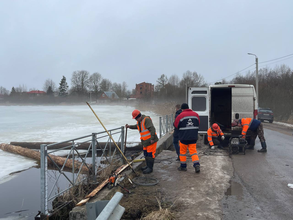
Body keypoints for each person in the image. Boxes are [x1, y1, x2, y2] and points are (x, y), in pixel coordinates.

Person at [126, 109, 159, 174]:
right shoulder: (139, 122)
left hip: (150, 141)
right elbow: (137, 127)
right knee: (146, 154)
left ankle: (150, 168)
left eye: (135, 118)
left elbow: (152, 129)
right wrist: (129, 126)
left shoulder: (146, 120)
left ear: (139, 116)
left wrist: (152, 138)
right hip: (145, 142)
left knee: (150, 155)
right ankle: (147, 166)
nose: (135, 120)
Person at [174, 103, 201, 173]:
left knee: (182, 152)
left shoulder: (180, 116)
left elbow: (176, 125)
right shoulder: (196, 115)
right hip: (193, 137)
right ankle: (196, 164)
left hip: (183, 137)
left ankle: (183, 166)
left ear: (182, 109)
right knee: (193, 151)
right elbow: (198, 123)